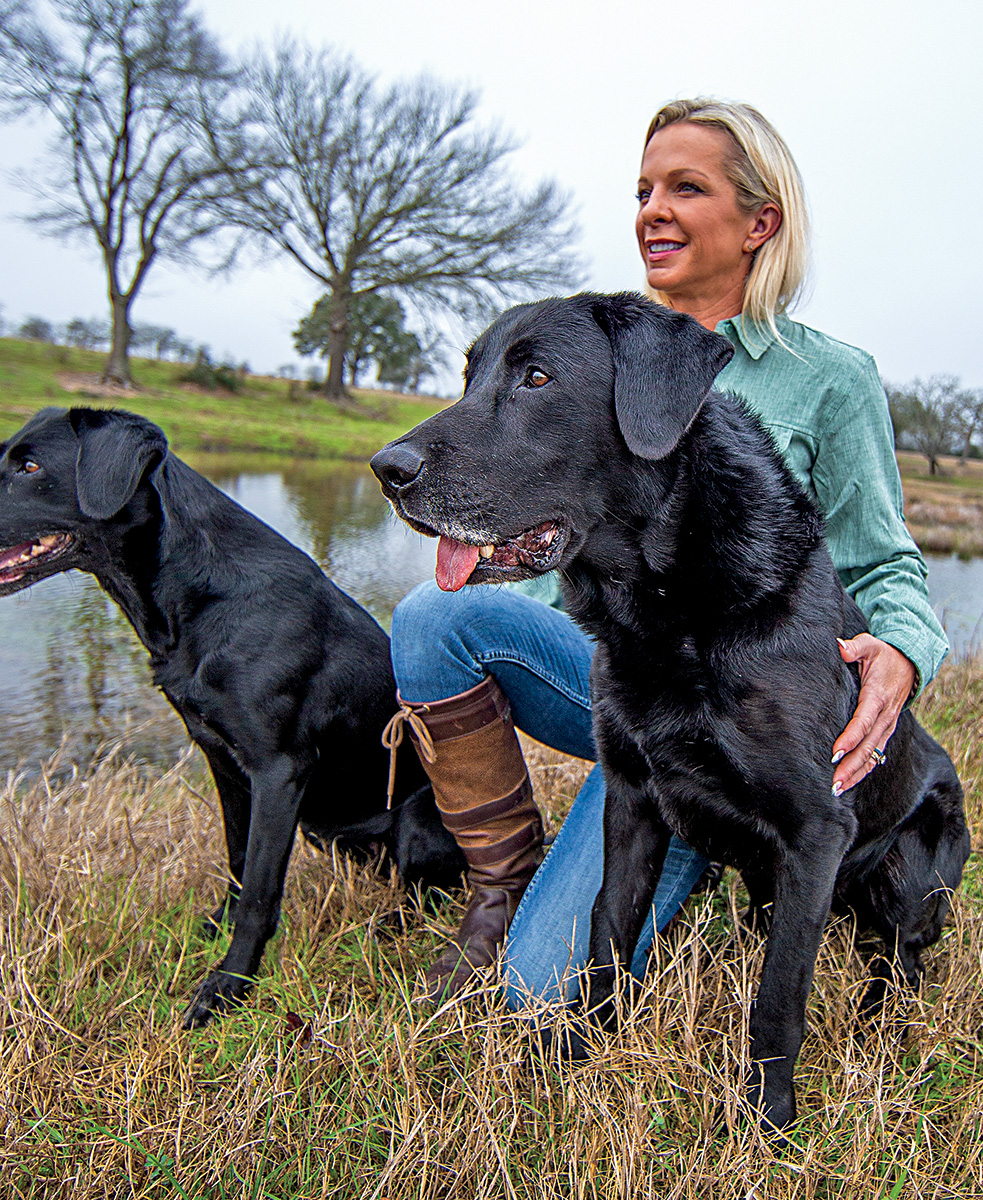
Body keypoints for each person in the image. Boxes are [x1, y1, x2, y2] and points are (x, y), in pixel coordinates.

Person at [386, 97, 949, 1006]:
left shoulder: (829, 380)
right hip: (617, 682)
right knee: (428, 618)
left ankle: (688, 841)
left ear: (760, 221)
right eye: (644, 188)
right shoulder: (590, 346)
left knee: (541, 994)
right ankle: (498, 881)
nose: (652, 208)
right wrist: (503, 546)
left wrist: (902, 656)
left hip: (738, 707)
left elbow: (886, 563)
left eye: (686, 187)